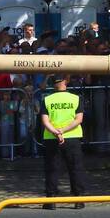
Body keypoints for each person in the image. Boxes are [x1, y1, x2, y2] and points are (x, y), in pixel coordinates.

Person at [40, 76, 89, 209]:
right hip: (72, 137)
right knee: (75, 168)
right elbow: (79, 119)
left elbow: (45, 121)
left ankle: (51, 200)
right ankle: (79, 199)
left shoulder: (47, 100)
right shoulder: (76, 98)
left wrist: (56, 132)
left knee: (52, 169)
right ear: (65, 83)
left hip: (52, 138)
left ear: (53, 85)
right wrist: (63, 131)